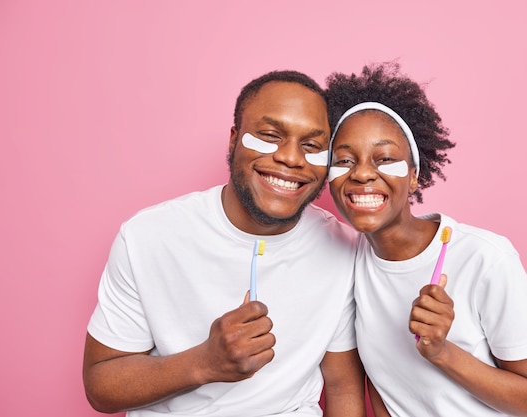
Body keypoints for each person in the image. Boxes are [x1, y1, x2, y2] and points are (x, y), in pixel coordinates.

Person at [83, 70, 366, 416]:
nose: (291, 158)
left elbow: (343, 387)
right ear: (234, 140)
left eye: (311, 146)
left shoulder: (344, 248)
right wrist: (204, 363)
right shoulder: (148, 237)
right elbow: (101, 386)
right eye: (270, 135)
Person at [324, 62, 527, 417]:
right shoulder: (347, 261)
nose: (363, 173)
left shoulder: (485, 258)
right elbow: (383, 388)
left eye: (385, 158)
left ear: (414, 176)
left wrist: (442, 352)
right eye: (344, 159)